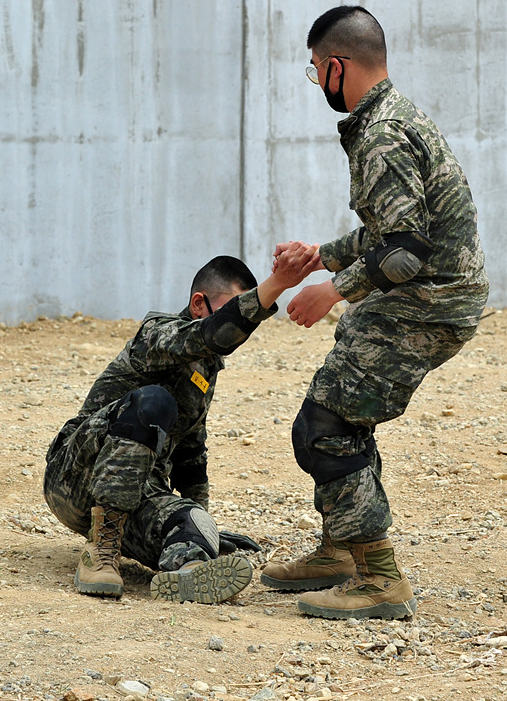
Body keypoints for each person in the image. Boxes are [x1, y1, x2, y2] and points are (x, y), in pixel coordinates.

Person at [260, 6, 488, 620]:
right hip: (425, 296)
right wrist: (320, 257)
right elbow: (391, 231)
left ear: (337, 66)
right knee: (339, 409)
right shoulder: (390, 117)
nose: (318, 84)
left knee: (325, 426)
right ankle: (340, 552)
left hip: (427, 303)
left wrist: (333, 290)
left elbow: (407, 251)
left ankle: (379, 578)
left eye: (316, 71)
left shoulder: (382, 134)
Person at [44, 247, 316, 602]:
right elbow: (214, 334)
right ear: (199, 305)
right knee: (153, 402)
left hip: (136, 492)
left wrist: (204, 526)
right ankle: (100, 554)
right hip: (76, 476)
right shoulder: (159, 333)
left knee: (194, 524)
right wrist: (278, 283)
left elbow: (191, 450)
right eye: (231, 309)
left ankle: (187, 572)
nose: (241, 329)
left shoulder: (204, 369)